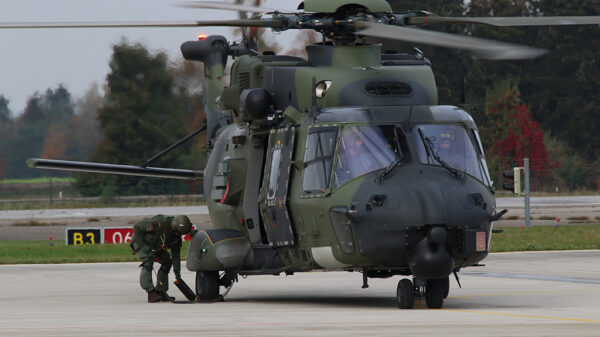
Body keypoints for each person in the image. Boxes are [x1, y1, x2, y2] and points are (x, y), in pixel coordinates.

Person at [130, 214, 192, 303]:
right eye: (177, 232)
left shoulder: (177, 238)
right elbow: (137, 227)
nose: (178, 235)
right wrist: (143, 247)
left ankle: (161, 291)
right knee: (148, 261)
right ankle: (151, 292)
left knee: (167, 262)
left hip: (155, 246)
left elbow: (176, 255)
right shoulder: (160, 223)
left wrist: (177, 273)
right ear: (173, 226)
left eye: (180, 234)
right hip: (140, 241)